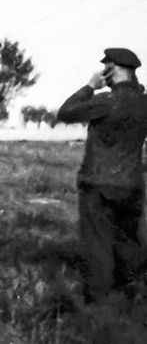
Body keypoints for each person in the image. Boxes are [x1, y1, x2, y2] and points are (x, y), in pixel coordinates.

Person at [57, 47, 147, 304]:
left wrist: (89, 86)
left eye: (105, 67)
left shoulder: (105, 102)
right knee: (128, 241)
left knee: (98, 244)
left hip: (98, 183)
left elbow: (66, 112)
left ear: (112, 70)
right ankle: (131, 293)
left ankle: (98, 302)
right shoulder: (144, 103)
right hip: (132, 184)